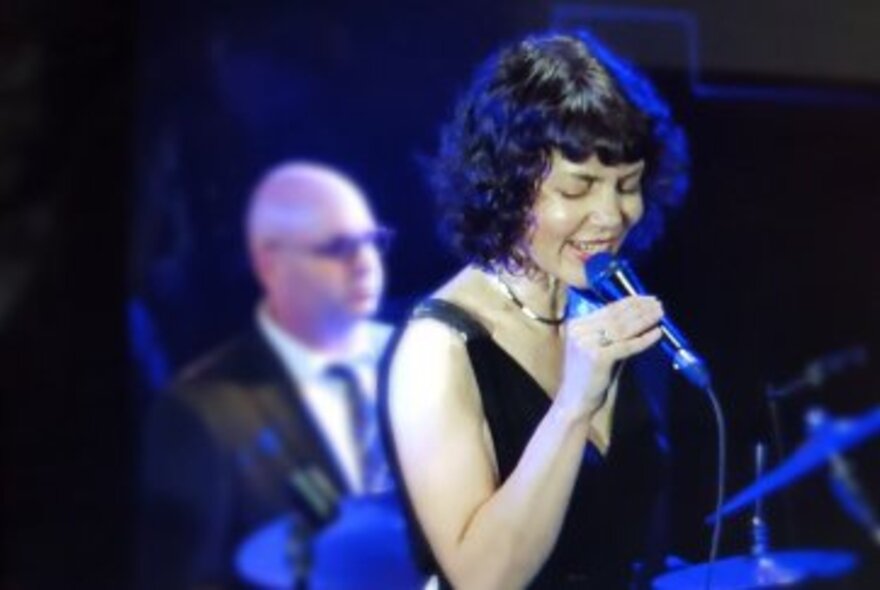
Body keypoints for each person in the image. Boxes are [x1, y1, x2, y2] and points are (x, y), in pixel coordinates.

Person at [380, 31, 689, 589]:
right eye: (577, 190)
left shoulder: (606, 308)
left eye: (628, 185)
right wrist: (574, 404)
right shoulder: (439, 350)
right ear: (508, 185)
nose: (612, 215)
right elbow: (484, 580)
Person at [138, 161, 395, 589]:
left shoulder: (422, 353)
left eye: (373, 241)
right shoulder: (200, 410)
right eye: (338, 248)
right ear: (269, 264)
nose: (365, 262)